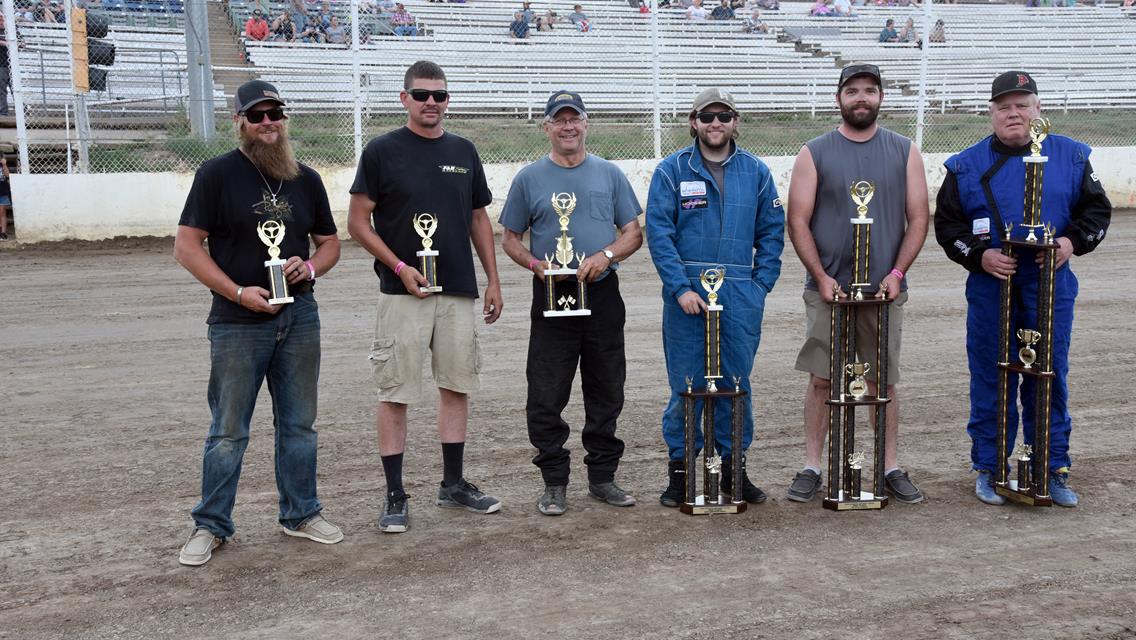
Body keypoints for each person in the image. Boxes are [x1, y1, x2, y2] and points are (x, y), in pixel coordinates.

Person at [173, 80, 343, 566]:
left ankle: (301, 514)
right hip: (236, 322)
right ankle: (211, 524)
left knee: (299, 424)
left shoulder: (305, 178)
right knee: (228, 430)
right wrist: (237, 292)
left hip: (299, 317)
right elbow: (187, 247)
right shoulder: (217, 174)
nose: (268, 122)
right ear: (240, 123)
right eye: (257, 115)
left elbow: (329, 242)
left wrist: (309, 267)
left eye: (275, 114)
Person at [933, 71, 1111, 508]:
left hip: (1049, 286)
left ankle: (1051, 468)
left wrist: (1070, 243)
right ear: (991, 113)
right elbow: (948, 226)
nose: (1014, 114)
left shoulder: (1070, 156)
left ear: (1038, 109)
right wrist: (980, 257)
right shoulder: (965, 165)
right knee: (991, 376)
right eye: (1004, 107)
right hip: (992, 288)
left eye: (1022, 105)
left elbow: (1096, 212)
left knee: (1048, 375)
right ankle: (990, 468)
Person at [347, 61, 503, 533]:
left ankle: (452, 484)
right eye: (421, 95)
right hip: (401, 291)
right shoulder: (381, 151)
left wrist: (493, 279)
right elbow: (357, 223)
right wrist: (398, 266)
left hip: (456, 289)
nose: (430, 103)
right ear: (404, 99)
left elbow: (479, 218)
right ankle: (395, 493)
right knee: (395, 391)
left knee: (456, 386)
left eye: (439, 95)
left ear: (447, 100)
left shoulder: (464, 150)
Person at [785, 64, 930, 505]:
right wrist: (822, 276)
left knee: (881, 383)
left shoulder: (905, 151)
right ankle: (813, 465)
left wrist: (896, 274)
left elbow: (919, 218)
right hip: (829, 289)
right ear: (839, 99)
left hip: (884, 291)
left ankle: (888, 466)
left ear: (881, 97)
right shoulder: (814, 152)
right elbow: (798, 219)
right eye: (852, 90)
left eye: (869, 90)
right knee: (822, 380)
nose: (861, 97)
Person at [499, 91, 644, 516]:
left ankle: (602, 478)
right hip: (550, 293)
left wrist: (607, 256)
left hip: (601, 293)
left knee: (606, 388)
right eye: (559, 120)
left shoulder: (610, 174)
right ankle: (554, 482)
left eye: (574, 119)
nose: (568, 127)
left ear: (585, 124)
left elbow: (633, 232)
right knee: (545, 391)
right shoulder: (530, 178)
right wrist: (535, 265)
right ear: (546, 127)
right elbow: (510, 238)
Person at [647, 88, 785, 508]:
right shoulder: (671, 171)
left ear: (735, 122)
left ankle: (732, 470)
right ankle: (682, 471)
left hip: (741, 293)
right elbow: (660, 234)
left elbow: (772, 234)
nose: (715, 123)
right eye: (707, 116)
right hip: (687, 293)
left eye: (724, 116)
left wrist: (760, 287)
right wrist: (680, 287)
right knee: (686, 384)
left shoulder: (757, 173)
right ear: (694, 122)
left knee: (736, 383)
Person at [0, 155, 10, 241]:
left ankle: (3, 233)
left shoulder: (2, 166)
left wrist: (4, 165)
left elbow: (7, 175)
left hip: (2, 192)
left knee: (2, 212)